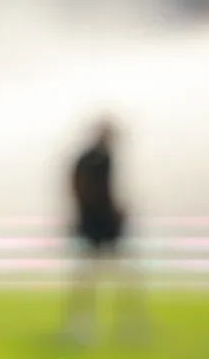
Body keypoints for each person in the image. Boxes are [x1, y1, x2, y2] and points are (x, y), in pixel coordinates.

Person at [62, 117, 148, 346]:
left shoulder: (93, 158)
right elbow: (87, 190)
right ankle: (98, 327)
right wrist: (112, 212)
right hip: (99, 225)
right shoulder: (97, 159)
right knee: (96, 277)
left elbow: (78, 188)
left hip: (97, 224)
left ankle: (116, 326)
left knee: (97, 277)